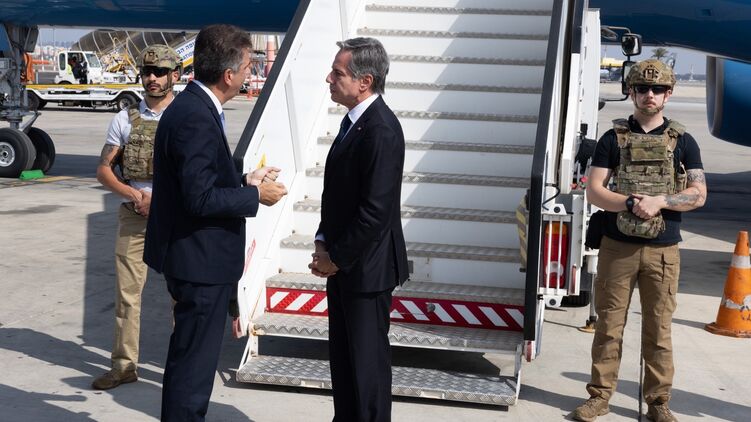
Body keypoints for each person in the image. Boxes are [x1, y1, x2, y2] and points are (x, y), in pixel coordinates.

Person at [143, 24, 287, 422]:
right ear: (228, 75)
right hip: (199, 264)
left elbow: (198, 181)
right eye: (247, 66)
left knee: (190, 360)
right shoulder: (195, 117)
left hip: (194, 259)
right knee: (193, 369)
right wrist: (256, 196)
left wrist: (244, 180)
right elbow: (200, 198)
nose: (249, 72)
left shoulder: (193, 107)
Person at [573, 59, 706, 422]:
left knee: (659, 330)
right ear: (631, 92)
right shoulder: (612, 139)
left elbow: (699, 194)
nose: (650, 95)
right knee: (608, 327)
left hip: (663, 251)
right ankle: (600, 397)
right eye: (643, 89)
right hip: (617, 248)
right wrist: (631, 203)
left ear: (668, 94)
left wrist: (660, 201)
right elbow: (595, 191)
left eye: (658, 89)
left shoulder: (683, 141)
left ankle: (658, 402)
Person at [308, 37, 409, 422]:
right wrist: (322, 242)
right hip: (345, 265)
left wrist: (335, 258)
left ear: (364, 81)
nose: (329, 79)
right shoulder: (354, 122)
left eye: (337, 73)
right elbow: (339, 196)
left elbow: (374, 212)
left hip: (366, 270)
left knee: (367, 374)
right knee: (345, 365)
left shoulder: (381, 129)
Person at [92, 44, 182, 391]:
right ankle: (123, 366)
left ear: (175, 75)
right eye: (147, 72)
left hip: (176, 217)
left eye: (160, 72)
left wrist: (160, 201)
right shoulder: (124, 119)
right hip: (135, 214)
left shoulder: (186, 115)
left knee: (181, 294)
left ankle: (181, 369)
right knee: (127, 294)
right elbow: (104, 170)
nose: (152, 78)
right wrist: (134, 195)